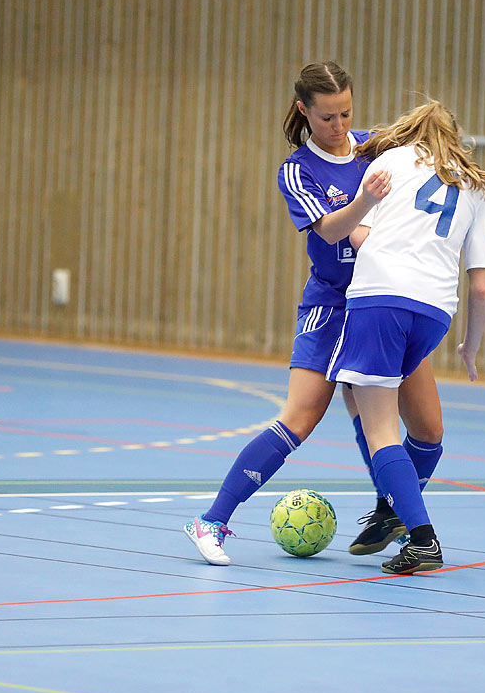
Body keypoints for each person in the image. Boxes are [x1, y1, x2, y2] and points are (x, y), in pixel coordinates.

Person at [183, 64, 446, 566]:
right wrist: (364, 203)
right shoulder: (299, 169)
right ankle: (212, 520)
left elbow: (427, 156)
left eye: (347, 112)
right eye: (328, 117)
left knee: (428, 429)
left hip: (387, 304)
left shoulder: (377, 147)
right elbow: (329, 231)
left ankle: (390, 506)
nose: (340, 125)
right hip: (332, 305)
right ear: (305, 111)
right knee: (300, 418)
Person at [330, 100, 485, 575]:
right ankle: (391, 512)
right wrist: (471, 347)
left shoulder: (388, 161)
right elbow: (481, 286)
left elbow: (357, 235)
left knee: (378, 425)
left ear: (410, 131)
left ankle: (422, 540)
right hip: (436, 311)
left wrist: (391, 243)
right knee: (406, 422)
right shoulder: (473, 184)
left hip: (380, 296)